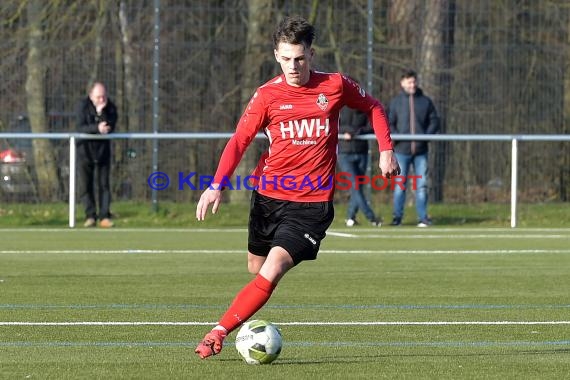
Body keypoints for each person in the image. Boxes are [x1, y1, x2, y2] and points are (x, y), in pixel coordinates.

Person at [193, 16, 400, 360]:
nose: (294, 66)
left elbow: (374, 106)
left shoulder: (334, 85)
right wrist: (216, 185)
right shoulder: (267, 95)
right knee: (256, 270)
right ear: (276, 55)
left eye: (300, 58)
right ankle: (248, 316)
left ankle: (218, 332)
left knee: (272, 270)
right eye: (286, 58)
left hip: (311, 206)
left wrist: (386, 148)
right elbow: (240, 140)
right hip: (267, 197)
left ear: (311, 54)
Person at [388, 69, 440, 227]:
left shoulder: (425, 101)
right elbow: (389, 123)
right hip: (402, 151)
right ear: (402, 83)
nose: (413, 85)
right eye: (409, 82)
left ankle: (423, 218)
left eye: (414, 81)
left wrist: (426, 136)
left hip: (421, 151)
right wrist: (397, 137)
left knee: (422, 185)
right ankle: (397, 218)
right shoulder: (396, 102)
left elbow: (434, 121)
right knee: (399, 186)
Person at [76, 82, 117, 228]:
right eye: (98, 97)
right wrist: (96, 127)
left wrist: (102, 114)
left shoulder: (110, 107)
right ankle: (90, 216)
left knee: (104, 185)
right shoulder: (83, 106)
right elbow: (80, 126)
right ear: (91, 96)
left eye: (104, 96)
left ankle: (104, 216)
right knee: (85, 185)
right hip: (84, 151)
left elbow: (112, 124)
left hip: (102, 151)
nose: (102, 100)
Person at [337, 105, 381, 227]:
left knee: (358, 187)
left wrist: (357, 131)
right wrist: (347, 131)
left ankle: (350, 218)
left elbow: (372, 126)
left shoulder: (364, 107)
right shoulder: (339, 107)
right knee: (355, 186)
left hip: (361, 152)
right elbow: (333, 123)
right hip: (344, 154)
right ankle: (372, 217)